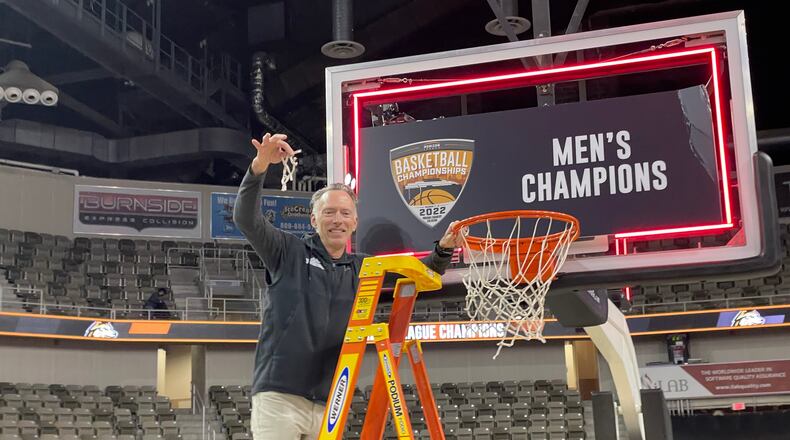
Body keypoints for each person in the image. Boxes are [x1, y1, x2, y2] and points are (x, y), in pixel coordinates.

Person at [233, 133, 464, 440]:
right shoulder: (288, 251)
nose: (337, 220)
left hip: (332, 402)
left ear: (355, 222)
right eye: (329, 213)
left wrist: (444, 249)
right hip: (280, 397)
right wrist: (260, 165)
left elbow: (417, 277)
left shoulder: (364, 269)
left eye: (345, 214)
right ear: (314, 220)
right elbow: (246, 219)